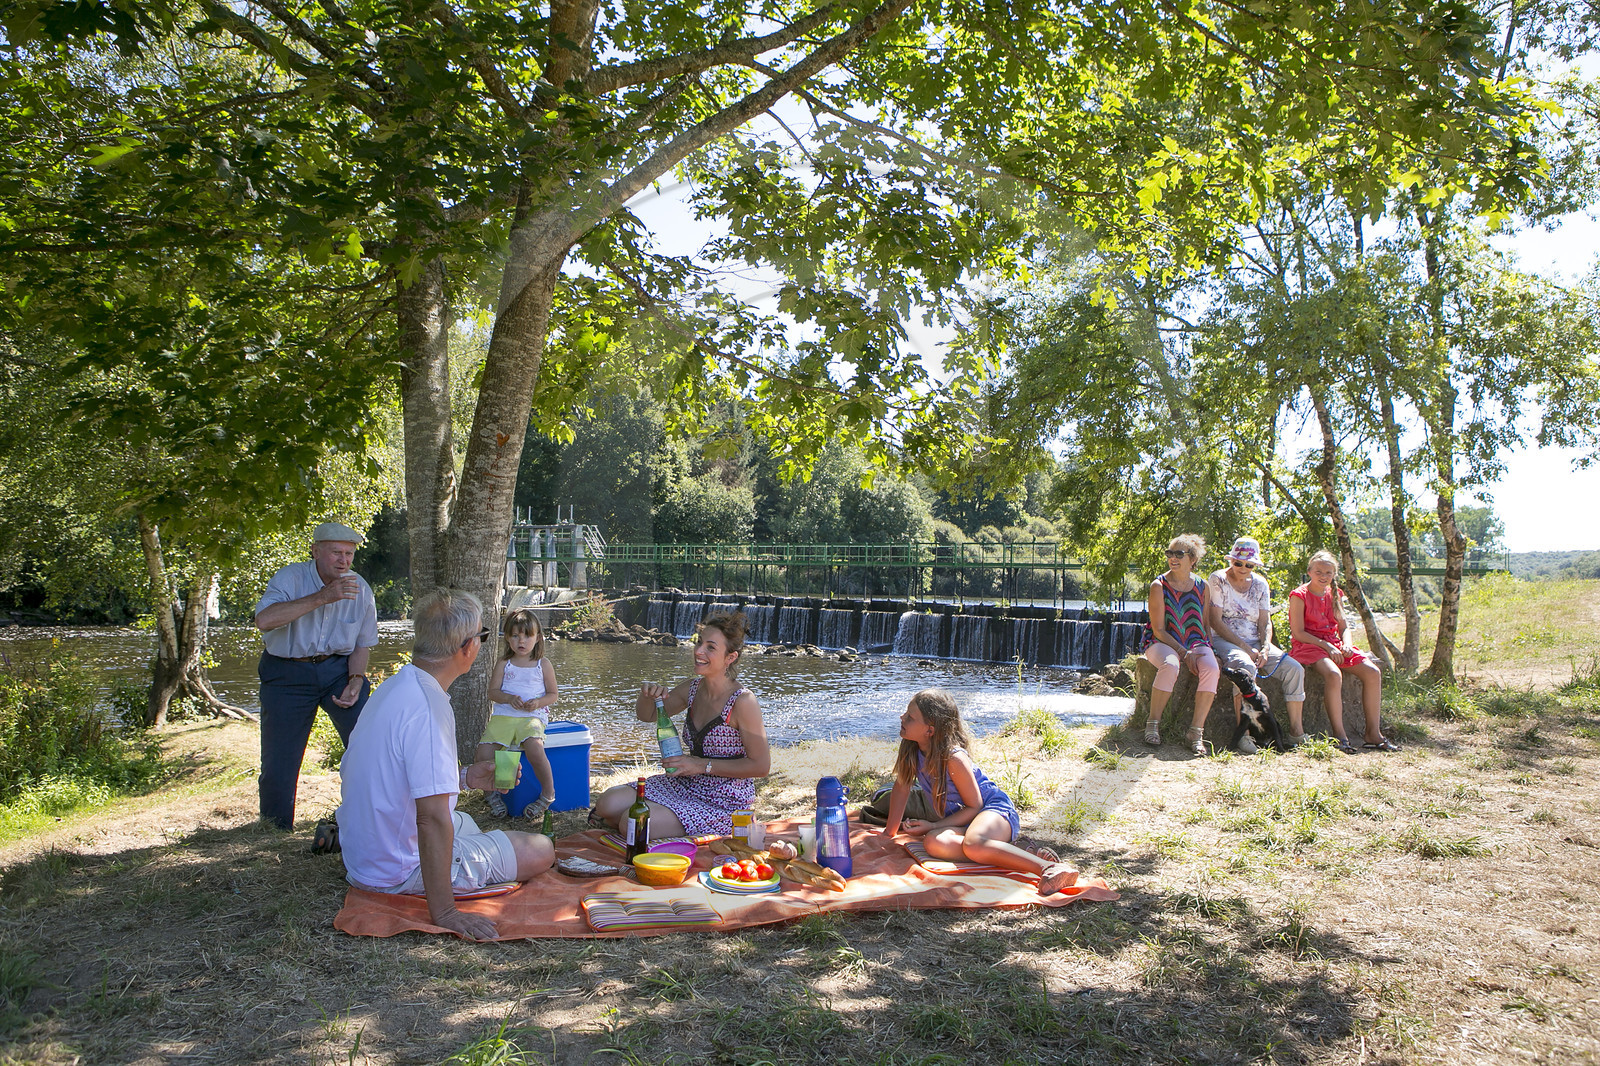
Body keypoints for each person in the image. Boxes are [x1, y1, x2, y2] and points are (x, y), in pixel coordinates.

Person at [337, 589, 555, 941]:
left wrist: (467, 777)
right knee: (541, 850)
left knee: (466, 822)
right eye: (483, 636)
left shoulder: (395, 687)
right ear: (467, 647)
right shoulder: (429, 708)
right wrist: (446, 913)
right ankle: (453, 877)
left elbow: (399, 776)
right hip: (394, 870)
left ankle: (475, 856)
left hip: (366, 852)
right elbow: (432, 819)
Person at [591, 611, 770, 838]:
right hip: (685, 783)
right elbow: (647, 715)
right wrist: (646, 697)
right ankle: (654, 820)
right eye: (699, 642)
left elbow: (761, 766)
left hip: (724, 799)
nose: (698, 651)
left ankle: (647, 823)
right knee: (607, 803)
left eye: (710, 647)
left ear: (730, 657)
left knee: (633, 822)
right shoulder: (692, 689)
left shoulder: (743, 701)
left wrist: (700, 765)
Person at [882, 688, 1077, 895]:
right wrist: (889, 833)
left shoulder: (953, 758)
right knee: (933, 842)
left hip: (992, 810)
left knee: (973, 844)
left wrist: (934, 825)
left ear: (930, 730)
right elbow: (902, 787)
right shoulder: (911, 748)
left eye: (910, 717)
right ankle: (1014, 850)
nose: (902, 717)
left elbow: (975, 806)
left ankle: (1048, 867)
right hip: (966, 821)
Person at [253, 522, 378, 829]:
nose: (344, 561)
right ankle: (275, 828)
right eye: (336, 552)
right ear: (315, 551)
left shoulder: (361, 588)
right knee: (280, 760)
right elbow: (264, 620)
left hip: (338, 670)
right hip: (286, 672)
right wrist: (322, 597)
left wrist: (356, 679)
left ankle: (370, 820)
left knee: (369, 744)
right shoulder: (290, 578)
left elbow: (362, 643)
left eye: (349, 554)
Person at [1288, 551, 1399, 753]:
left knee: (1372, 672)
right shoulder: (1299, 595)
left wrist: (1346, 644)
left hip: (1334, 644)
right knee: (1333, 674)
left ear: (1334, 574)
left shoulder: (1335, 594)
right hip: (1309, 645)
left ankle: (1373, 734)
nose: (1323, 576)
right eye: (1319, 572)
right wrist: (1327, 646)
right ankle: (1340, 736)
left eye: (1328, 573)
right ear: (1309, 572)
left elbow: (1344, 626)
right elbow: (1298, 633)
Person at [1205, 537, 1308, 750]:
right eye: (1238, 563)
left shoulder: (1261, 584)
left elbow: (1264, 621)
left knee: (1294, 669)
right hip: (1225, 640)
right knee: (1245, 666)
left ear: (1255, 565)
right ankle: (1244, 735)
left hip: (1256, 641)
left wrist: (1265, 648)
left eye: (1249, 565)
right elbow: (1214, 620)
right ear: (1231, 560)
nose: (1243, 568)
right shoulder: (1218, 579)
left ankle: (1296, 732)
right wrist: (1246, 648)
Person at [1141, 533, 1221, 756]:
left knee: (1212, 668)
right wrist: (1183, 652)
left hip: (1196, 640)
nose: (1172, 558)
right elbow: (1159, 629)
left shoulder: (1202, 585)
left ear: (1192, 559)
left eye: (1179, 554)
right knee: (1170, 664)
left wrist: (1211, 650)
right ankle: (1152, 724)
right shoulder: (1159, 585)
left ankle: (1195, 733)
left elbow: (1205, 624)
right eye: (1170, 553)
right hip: (1161, 641)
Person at [476, 608, 560, 820]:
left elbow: (553, 695)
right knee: (484, 752)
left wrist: (538, 702)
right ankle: (492, 794)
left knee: (534, 748)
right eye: (515, 636)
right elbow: (493, 692)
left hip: (532, 717)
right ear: (507, 637)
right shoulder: (504, 663)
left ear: (538, 638)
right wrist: (508, 698)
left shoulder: (543, 664)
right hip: (504, 716)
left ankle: (548, 794)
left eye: (527, 636)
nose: (521, 641)